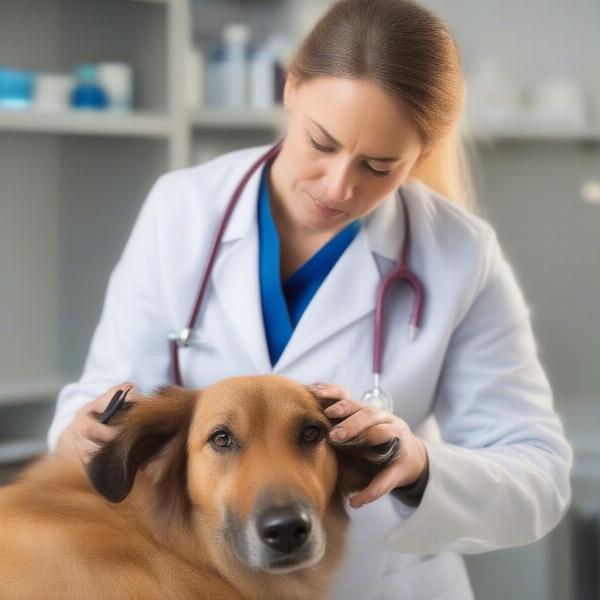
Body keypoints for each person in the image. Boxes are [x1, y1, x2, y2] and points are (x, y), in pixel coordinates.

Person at [47, 0, 572, 598]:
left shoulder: (460, 253)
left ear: (419, 157)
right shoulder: (184, 209)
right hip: (197, 580)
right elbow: (99, 400)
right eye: (321, 143)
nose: (338, 187)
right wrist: (84, 431)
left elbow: (540, 476)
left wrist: (421, 467)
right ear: (290, 89)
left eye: (379, 166)